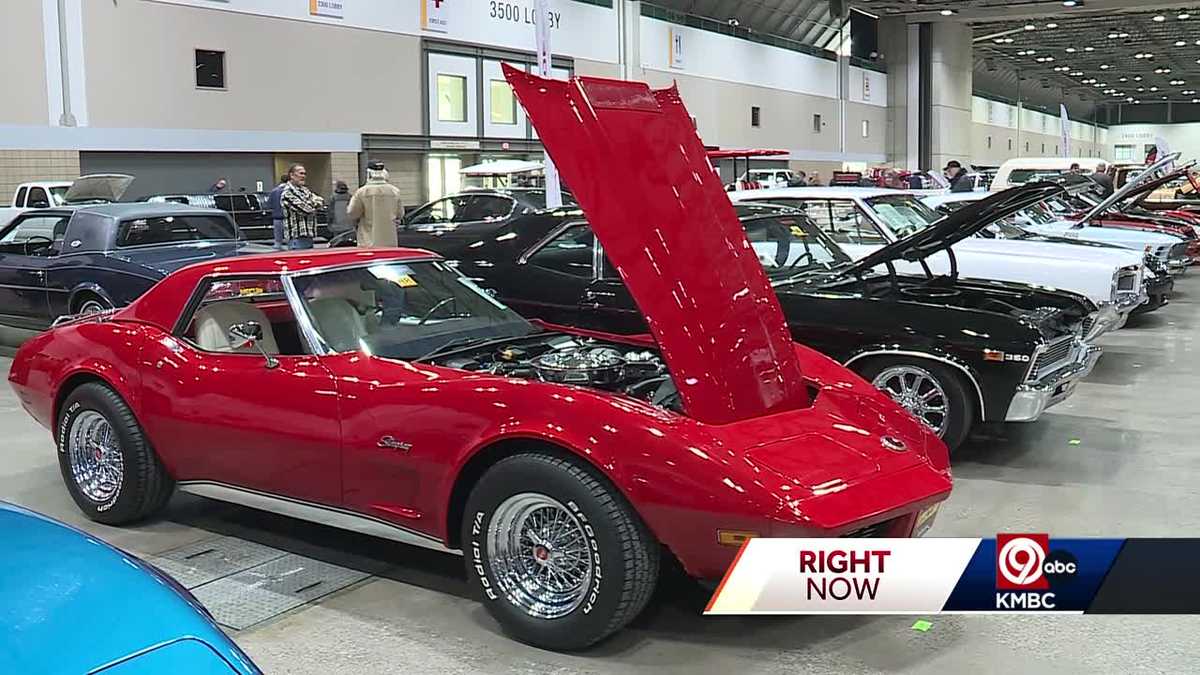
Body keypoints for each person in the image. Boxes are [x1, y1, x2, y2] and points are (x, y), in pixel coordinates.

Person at [348, 160, 403, 248]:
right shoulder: (395, 191)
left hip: (368, 241)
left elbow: (352, 213)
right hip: (390, 241)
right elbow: (400, 213)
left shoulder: (362, 192)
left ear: (368, 174)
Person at [280, 164, 323, 250]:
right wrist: (313, 203)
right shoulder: (287, 193)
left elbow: (321, 201)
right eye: (301, 173)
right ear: (292, 175)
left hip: (309, 236)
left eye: (304, 174)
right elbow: (307, 210)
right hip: (296, 239)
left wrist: (310, 203)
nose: (303, 176)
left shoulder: (305, 190)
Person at [266, 174, 288, 251]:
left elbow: (268, 205)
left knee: (278, 241)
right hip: (289, 218)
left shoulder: (274, 191)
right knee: (291, 240)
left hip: (277, 218)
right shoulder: (290, 191)